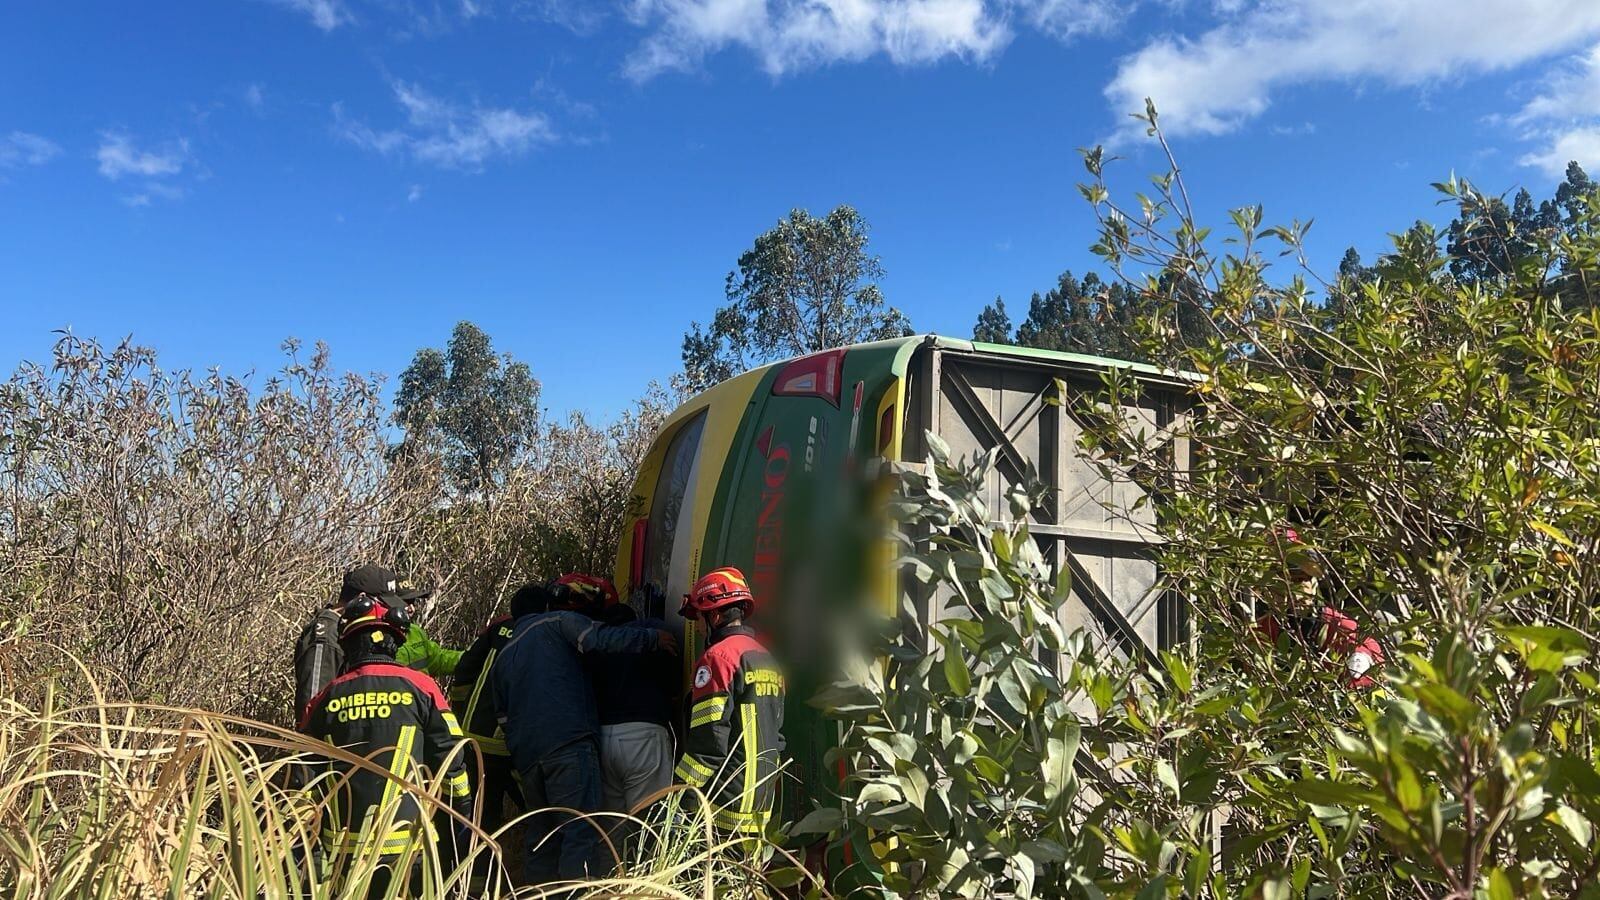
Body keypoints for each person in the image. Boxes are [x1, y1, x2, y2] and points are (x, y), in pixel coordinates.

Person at [491, 573, 679, 885]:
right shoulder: (556, 622)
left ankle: (540, 892)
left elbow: (503, 718)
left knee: (542, 835)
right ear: (547, 606)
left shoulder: (504, 655)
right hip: (568, 744)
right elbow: (601, 640)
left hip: (528, 757)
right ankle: (582, 892)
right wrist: (651, 638)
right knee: (581, 830)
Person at [299, 592, 474, 895]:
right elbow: (451, 761)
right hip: (409, 853)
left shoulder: (324, 698)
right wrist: (463, 813)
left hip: (343, 858)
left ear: (349, 643)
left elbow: (305, 776)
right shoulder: (423, 687)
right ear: (395, 643)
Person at [674, 567, 786, 842]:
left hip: (725, 805)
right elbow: (778, 736)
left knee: (716, 882)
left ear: (714, 615)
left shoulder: (718, 659)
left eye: (699, 618)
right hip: (761, 804)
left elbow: (708, 742)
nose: (698, 627)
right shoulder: (768, 659)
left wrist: (678, 795)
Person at [450, 583, 548, 836]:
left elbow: (463, 671)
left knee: (481, 812)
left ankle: (475, 868)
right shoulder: (543, 634)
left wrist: (462, 713)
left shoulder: (496, 630)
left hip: (474, 736)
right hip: (508, 742)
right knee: (540, 814)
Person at [295, 564, 438, 726]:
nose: (385, 611)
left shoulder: (348, 629)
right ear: (361, 599)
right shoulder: (325, 635)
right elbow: (311, 704)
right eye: (383, 603)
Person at [590, 585, 679, 842]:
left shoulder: (596, 643)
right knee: (650, 821)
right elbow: (672, 684)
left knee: (613, 826)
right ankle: (648, 877)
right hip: (645, 734)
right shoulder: (651, 633)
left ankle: (614, 878)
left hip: (603, 736)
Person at [1254, 527, 1383, 689]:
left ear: (1313, 583)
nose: (1288, 590)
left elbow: (1367, 655)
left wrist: (1363, 655)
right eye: (1277, 581)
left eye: (1299, 580)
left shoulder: (1339, 628)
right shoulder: (1261, 632)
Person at [393, 578, 463, 678]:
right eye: (406, 602)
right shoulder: (378, 640)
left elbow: (439, 659)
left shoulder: (415, 632)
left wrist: (473, 656)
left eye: (413, 602)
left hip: (421, 693)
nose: (412, 609)